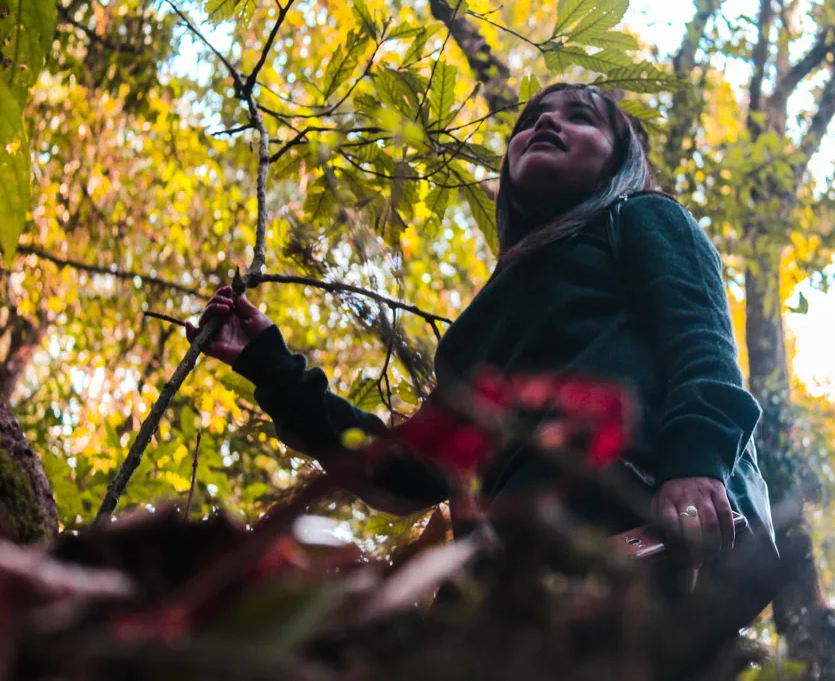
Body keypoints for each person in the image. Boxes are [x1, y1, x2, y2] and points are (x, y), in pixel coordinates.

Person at [188, 83, 777, 616]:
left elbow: (700, 338)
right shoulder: (479, 327)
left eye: (581, 118)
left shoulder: (642, 217)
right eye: (535, 117)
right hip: (500, 578)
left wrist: (696, 464)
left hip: (628, 521)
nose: (548, 123)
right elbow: (405, 473)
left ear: (620, 161)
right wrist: (270, 364)